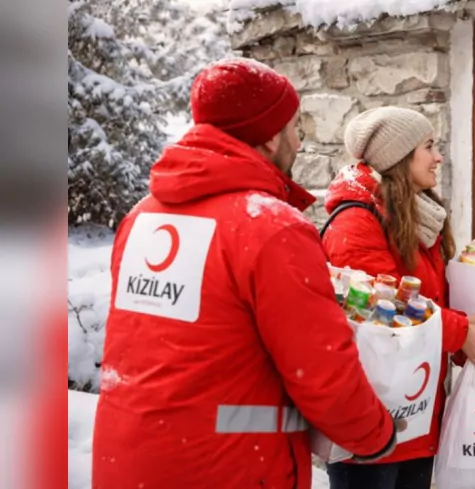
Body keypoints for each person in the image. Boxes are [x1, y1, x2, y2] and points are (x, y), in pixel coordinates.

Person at [92, 58, 399, 489]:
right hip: (227, 467)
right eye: (295, 127)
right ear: (271, 135)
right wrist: (375, 435)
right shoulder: (271, 228)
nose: (299, 141)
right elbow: (322, 372)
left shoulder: (143, 216)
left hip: (128, 459)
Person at [320, 106, 475, 489]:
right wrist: (458, 332)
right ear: (399, 157)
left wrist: (468, 331)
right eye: (429, 146)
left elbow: (430, 296)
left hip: (414, 413)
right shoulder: (357, 221)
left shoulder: (416, 215)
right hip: (371, 421)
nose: (438, 158)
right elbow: (382, 311)